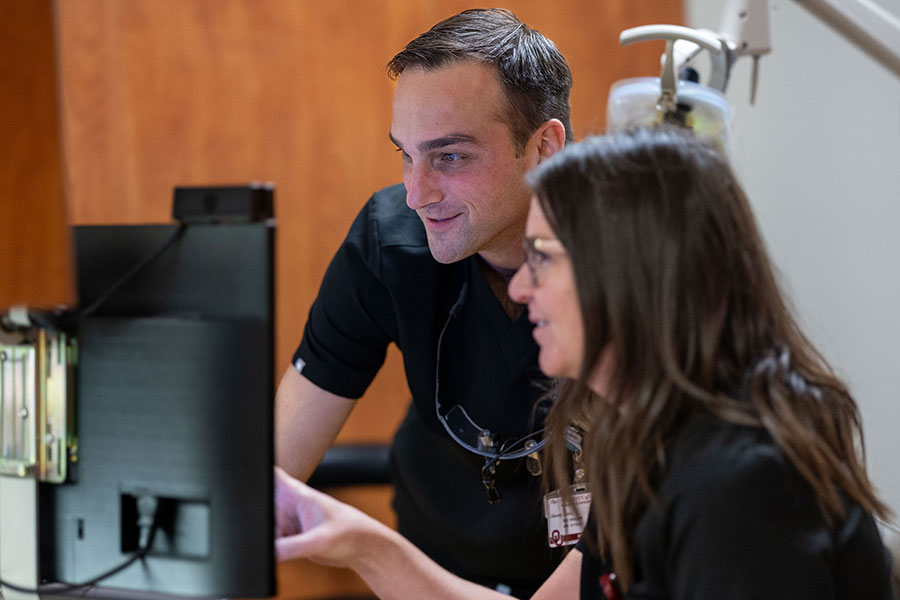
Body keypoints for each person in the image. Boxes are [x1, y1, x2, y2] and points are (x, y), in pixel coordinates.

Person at [275, 128, 896, 599]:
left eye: (542, 257)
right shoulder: (645, 445)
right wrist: (362, 545)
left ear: (633, 277)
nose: (519, 290)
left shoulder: (742, 487)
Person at [275, 8, 572, 596]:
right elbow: (272, 471)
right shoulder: (390, 245)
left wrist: (364, 547)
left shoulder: (631, 273)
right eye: (406, 154)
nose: (416, 194)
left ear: (544, 147)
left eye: (450, 157)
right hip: (428, 568)